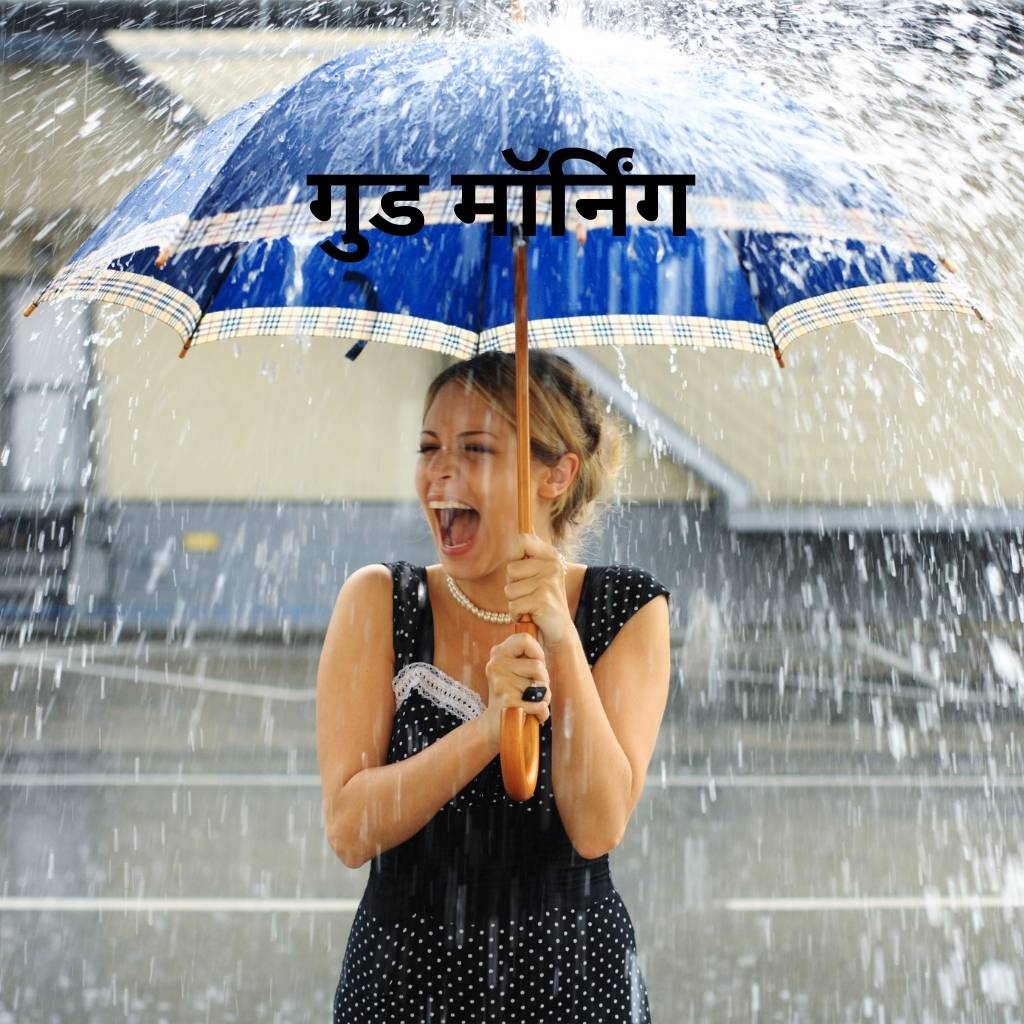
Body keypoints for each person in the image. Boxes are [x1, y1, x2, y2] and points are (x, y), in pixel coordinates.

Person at [318, 350, 671, 1024]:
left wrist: (561, 640)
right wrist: (487, 730)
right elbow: (349, 829)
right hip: (403, 986)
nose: (441, 471)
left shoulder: (627, 608)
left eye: (476, 447)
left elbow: (598, 827)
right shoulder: (378, 602)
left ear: (556, 472)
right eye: (429, 447)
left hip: (574, 985)